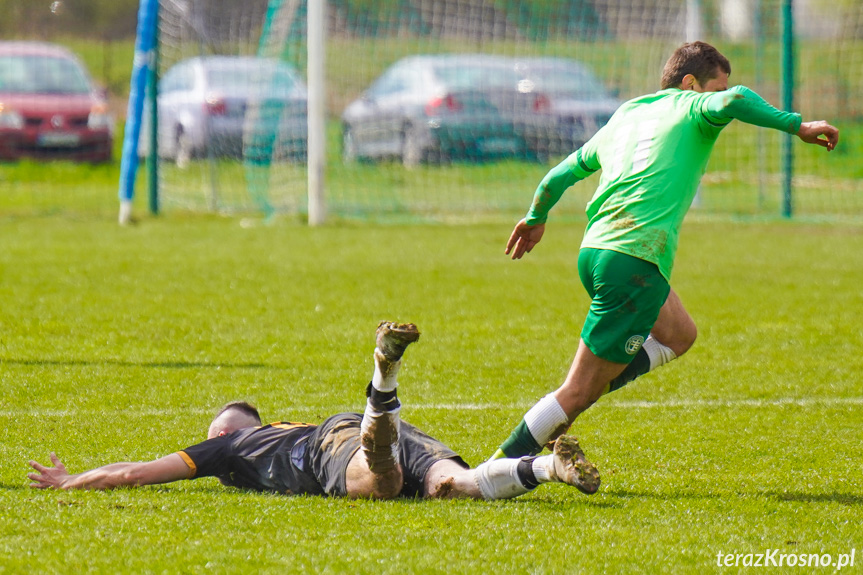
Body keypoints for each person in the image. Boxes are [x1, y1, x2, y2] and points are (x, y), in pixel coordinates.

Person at [488, 41, 840, 472]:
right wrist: (798, 126)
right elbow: (739, 98)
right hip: (634, 261)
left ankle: (574, 402)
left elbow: (558, 175)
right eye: (714, 87)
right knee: (578, 389)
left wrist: (535, 216)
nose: (718, 100)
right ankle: (495, 469)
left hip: (597, 251)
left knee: (680, 334)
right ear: (691, 84)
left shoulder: (628, 114)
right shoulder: (693, 107)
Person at [29, 321, 600, 499]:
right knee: (454, 486)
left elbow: (137, 474)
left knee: (382, 478)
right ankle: (549, 468)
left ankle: (385, 371)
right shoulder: (268, 432)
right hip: (360, 429)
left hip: (334, 444)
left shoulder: (232, 447)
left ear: (228, 428)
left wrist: (70, 480)